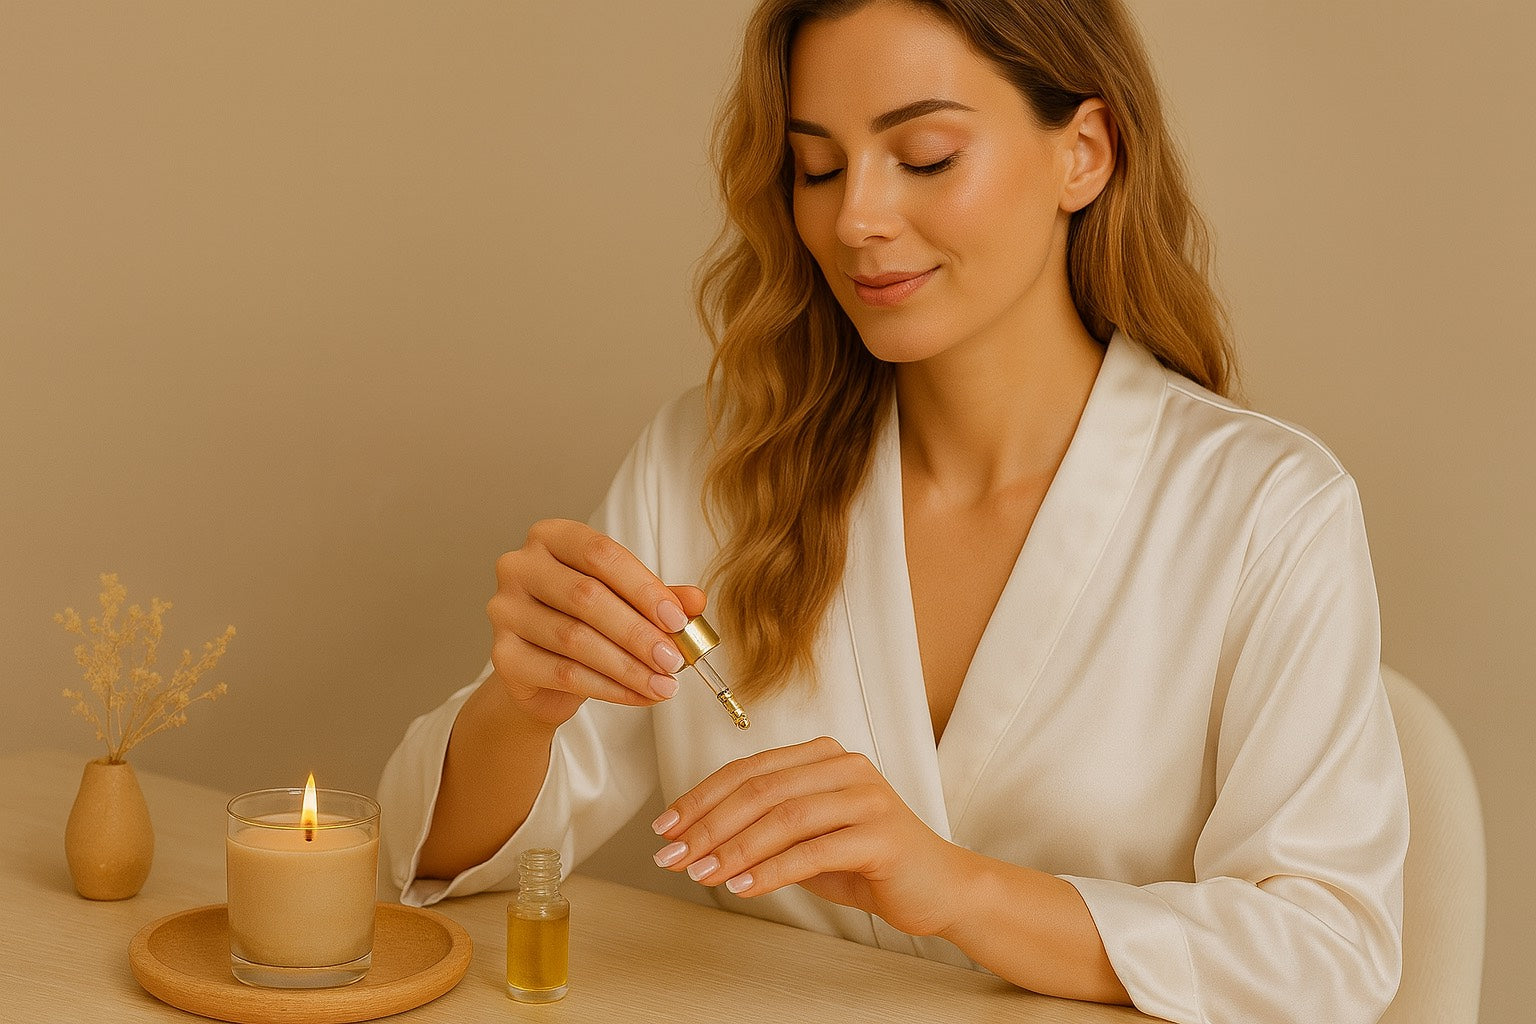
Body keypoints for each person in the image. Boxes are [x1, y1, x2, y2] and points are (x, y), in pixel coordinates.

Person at [378, 1, 1408, 1021]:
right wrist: (525, 702)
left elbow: (1329, 951)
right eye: (817, 168)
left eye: (924, 156)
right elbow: (433, 862)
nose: (855, 216)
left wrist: (961, 888)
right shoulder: (713, 461)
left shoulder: (1267, 511)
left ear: (1083, 154)